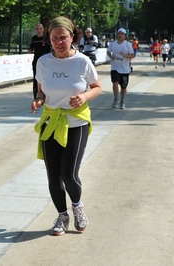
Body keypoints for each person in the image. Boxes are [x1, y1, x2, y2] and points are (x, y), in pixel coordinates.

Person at [31, 16, 102, 236]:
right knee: (53, 176)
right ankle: (62, 217)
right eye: (54, 38)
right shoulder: (43, 62)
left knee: (69, 174)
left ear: (72, 37)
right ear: (49, 39)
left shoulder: (82, 61)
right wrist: (39, 100)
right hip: (51, 121)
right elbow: (41, 90)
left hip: (76, 122)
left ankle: (78, 207)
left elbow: (97, 87)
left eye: (63, 37)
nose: (59, 42)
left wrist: (84, 97)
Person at [106, 28, 134, 110]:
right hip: (115, 67)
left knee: (123, 87)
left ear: (125, 35)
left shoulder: (128, 45)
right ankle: (116, 98)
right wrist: (111, 56)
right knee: (115, 83)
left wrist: (125, 55)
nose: (120, 35)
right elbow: (108, 51)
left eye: (122, 34)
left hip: (125, 69)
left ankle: (122, 101)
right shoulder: (113, 44)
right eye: (119, 34)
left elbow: (132, 55)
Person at [28, 23, 51, 99]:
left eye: (40, 29)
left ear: (43, 29)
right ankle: (36, 97)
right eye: (37, 29)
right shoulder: (34, 38)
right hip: (37, 62)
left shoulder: (47, 38)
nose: (39, 30)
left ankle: (47, 96)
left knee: (47, 78)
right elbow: (31, 48)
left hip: (46, 62)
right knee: (36, 79)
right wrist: (29, 50)